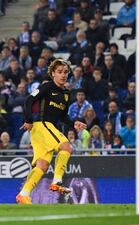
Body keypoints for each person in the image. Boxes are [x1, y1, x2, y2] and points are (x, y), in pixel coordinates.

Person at [16, 58, 87, 204]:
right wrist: (28, 120)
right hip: (41, 125)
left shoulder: (66, 94)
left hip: (46, 130)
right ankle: (57, 181)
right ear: (53, 73)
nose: (63, 75)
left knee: (42, 165)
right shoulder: (46, 87)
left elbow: (63, 116)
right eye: (59, 72)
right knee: (66, 147)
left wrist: (74, 123)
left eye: (65, 72)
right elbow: (28, 100)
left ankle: (24, 194)